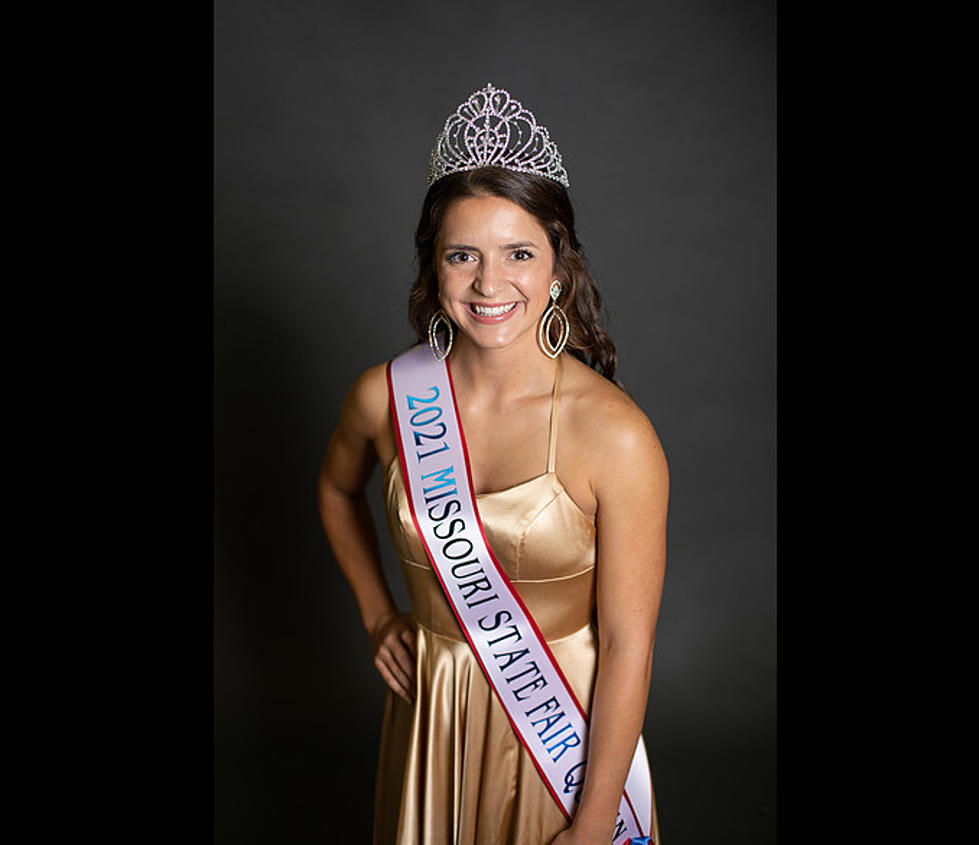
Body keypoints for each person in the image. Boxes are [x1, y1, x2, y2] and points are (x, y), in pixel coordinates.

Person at [317, 83, 669, 845]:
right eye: (461, 255)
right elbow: (334, 489)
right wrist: (378, 611)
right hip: (431, 711)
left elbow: (627, 643)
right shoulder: (386, 397)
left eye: (518, 253)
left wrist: (594, 819)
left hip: (565, 739)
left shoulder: (615, 435)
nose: (488, 282)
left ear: (556, 266)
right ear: (433, 267)